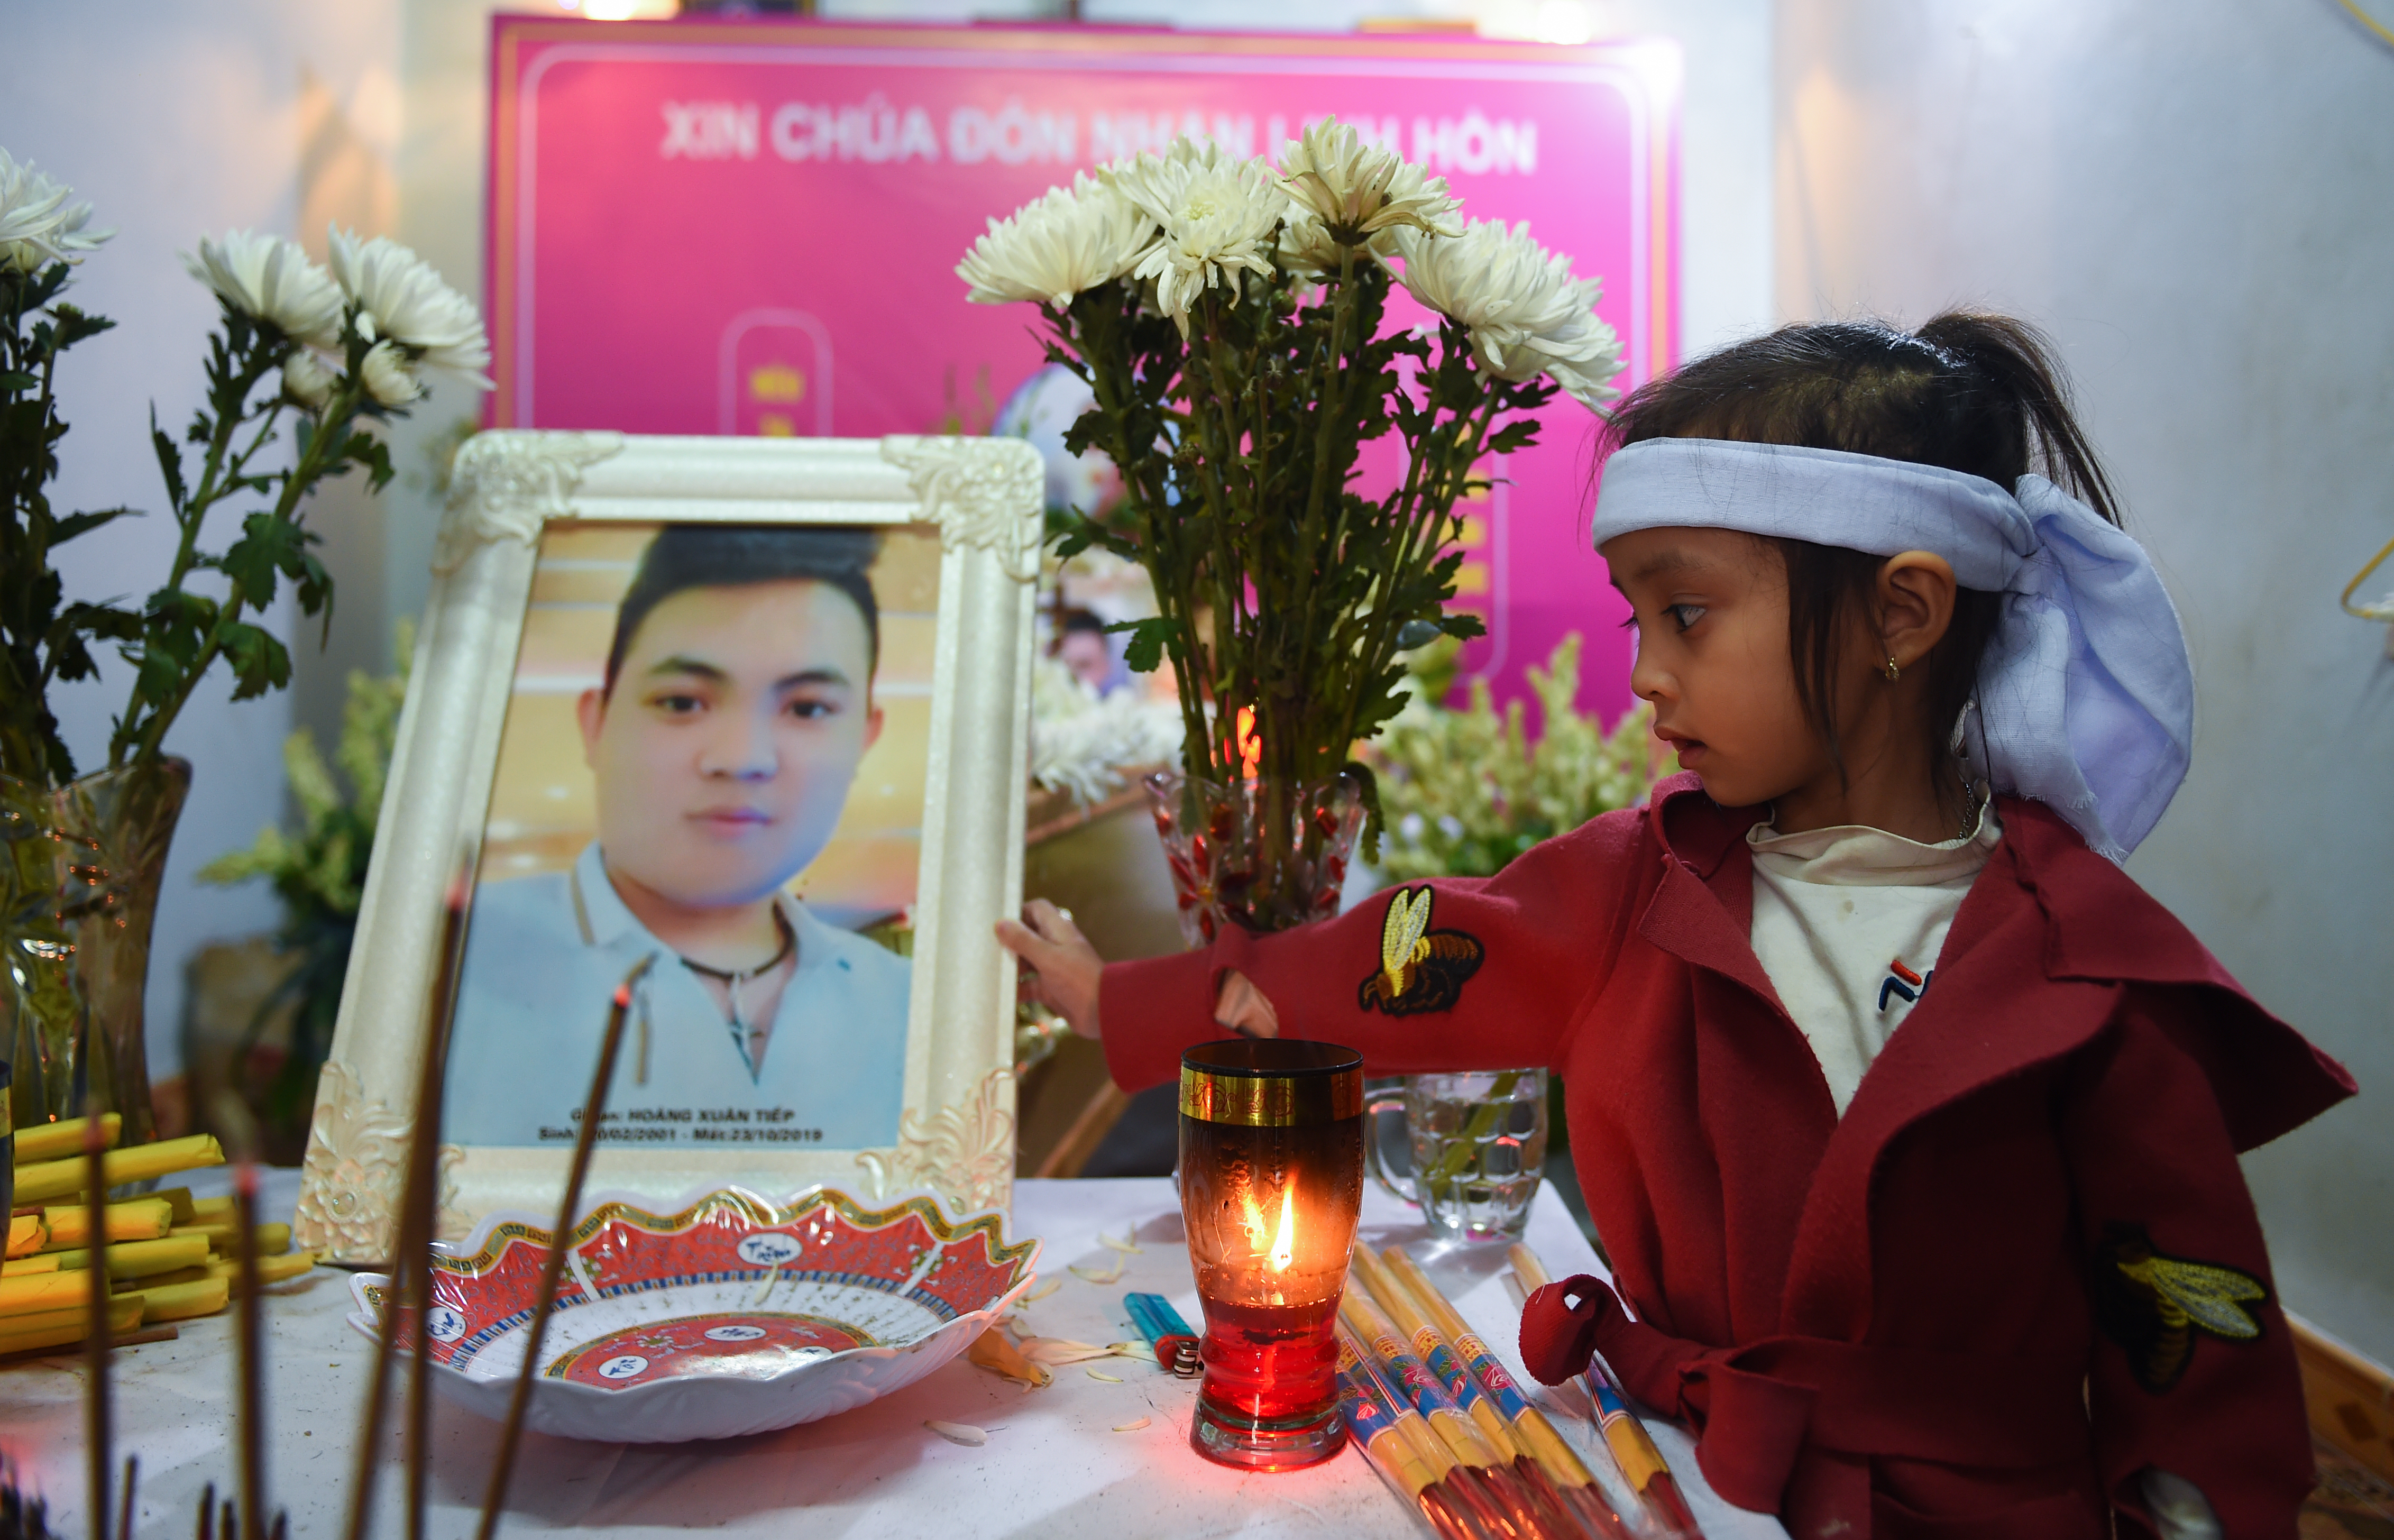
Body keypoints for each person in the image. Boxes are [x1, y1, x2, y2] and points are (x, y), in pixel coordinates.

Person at [997, 315, 2355, 1539]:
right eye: (1638, 615)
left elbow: (2194, 1375)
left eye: (1687, 614)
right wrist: (1126, 1000)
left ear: (1900, 611)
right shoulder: (1634, 895)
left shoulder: (2090, 980)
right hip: (1671, 1483)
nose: (1643, 674)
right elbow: (1390, 956)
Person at [448, 524, 911, 1151]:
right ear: (596, 722)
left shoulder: (906, 1006)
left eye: (806, 709)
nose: (743, 758)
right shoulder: (460, 961)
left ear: (866, 737)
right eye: (683, 703)